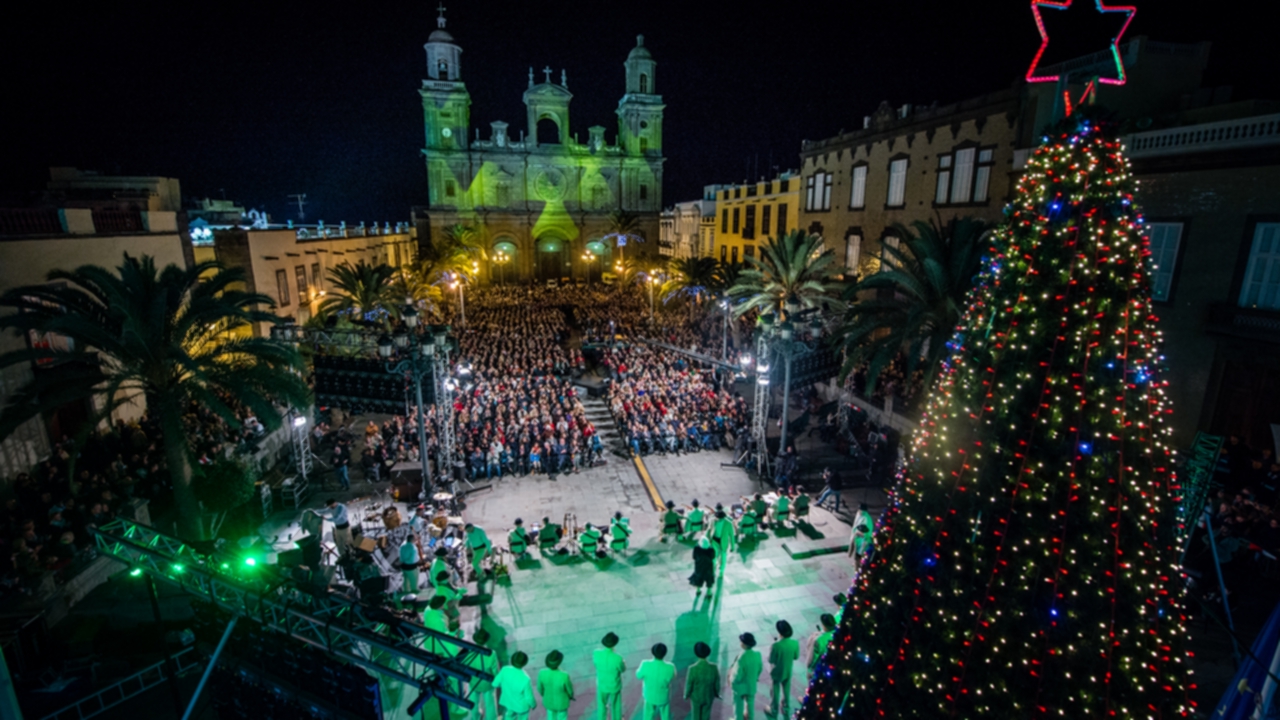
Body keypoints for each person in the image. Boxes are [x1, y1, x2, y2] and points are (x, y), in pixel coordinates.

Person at [635, 642, 676, 720]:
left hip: (649, 696)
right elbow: (673, 677)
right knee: (665, 716)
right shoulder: (670, 667)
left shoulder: (645, 664)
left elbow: (638, 675)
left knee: (648, 716)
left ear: (652, 652)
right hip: (663, 697)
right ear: (665, 653)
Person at [767, 620, 800, 718]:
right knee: (786, 690)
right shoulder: (795, 643)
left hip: (777, 672)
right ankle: (786, 707)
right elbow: (796, 657)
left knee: (775, 690)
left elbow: (770, 659)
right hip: (788, 670)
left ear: (780, 632)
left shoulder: (776, 645)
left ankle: (774, 709)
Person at [465, 629, 499, 720]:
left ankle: (475, 717)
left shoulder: (469, 650)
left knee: (474, 702)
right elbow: (495, 670)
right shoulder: (491, 654)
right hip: (487, 683)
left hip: (473, 681)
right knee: (490, 703)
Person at [493, 651, 536, 720]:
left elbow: (495, 683)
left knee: (509, 717)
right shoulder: (526, 678)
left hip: (508, 702)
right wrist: (533, 705)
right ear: (525, 663)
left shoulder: (505, 670)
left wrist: (505, 686)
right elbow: (529, 697)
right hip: (522, 707)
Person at [730, 632, 763, 720]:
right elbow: (760, 669)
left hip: (740, 688)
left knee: (738, 705)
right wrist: (755, 678)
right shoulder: (757, 655)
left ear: (744, 644)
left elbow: (738, 675)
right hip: (751, 685)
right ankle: (750, 718)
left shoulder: (742, 657)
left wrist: (731, 680)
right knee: (750, 704)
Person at [684, 640, 721, 720]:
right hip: (708, 696)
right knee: (706, 715)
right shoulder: (714, 667)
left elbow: (689, 684)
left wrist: (686, 695)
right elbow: (717, 683)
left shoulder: (692, 669)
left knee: (695, 716)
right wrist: (717, 693)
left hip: (696, 697)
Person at [593, 632, 626, 720]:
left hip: (602, 684)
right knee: (616, 705)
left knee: (601, 704)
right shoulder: (618, 658)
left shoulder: (596, 653)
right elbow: (622, 669)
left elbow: (596, 664)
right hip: (614, 685)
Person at [537, 650, 575, 720]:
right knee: (562, 717)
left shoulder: (542, 673)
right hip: (561, 703)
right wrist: (571, 696)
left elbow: (539, 688)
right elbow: (569, 690)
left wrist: (544, 694)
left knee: (550, 717)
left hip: (548, 701)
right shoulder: (564, 675)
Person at [465, 523, 493, 589]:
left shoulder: (479, 530)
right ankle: (480, 573)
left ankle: (483, 575)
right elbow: (468, 539)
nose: (468, 532)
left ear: (472, 527)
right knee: (477, 563)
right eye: (467, 531)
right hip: (475, 549)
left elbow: (486, 540)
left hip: (482, 548)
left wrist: (489, 550)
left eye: (469, 530)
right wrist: (466, 546)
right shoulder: (468, 532)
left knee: (474, 564)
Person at [399, 532, 421, 597]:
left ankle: (405, 593)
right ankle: (414, 593)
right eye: (414, 539)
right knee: (414, 581)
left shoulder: (402, 545)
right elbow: (413, 560)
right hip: (411, 567)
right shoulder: (413, 548)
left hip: (403, 566)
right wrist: (419, 558)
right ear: (412, 540)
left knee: (406, 581)